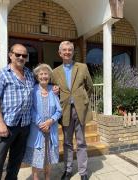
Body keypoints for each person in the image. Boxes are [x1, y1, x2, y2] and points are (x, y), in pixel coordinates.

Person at [0, 44, 35, 180]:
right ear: (10, 55)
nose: (21, 57)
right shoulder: (1, 74)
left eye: (24, 55)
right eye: (17, 54)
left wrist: (52, 88)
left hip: (24, 125)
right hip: (6, 125)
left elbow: (42, 85)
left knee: (16, 160)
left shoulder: (30, 75)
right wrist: (0, 123)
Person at [52, 41, 93, 180]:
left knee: (81, 142)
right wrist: (55, 91)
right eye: (64, 50)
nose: (67, 52)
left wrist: (82, 99)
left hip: (80, 110)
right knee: (67, 142)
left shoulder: (82, 67)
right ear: (60, 53)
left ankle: (83, 172)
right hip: (65, 111)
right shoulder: (55, 72)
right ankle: (68, 170)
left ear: (73, 52)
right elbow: (53, 91)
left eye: (70, 50)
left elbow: (90, 87)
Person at [23, 63, 62, 180]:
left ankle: (47, 177)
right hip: (37, 129)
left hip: (51, 130)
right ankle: (35, 178)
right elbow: (30, 109)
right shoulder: (33, 90)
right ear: (37, 76)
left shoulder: (54, 90)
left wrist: (50, 121)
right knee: (36, 157)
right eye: (41, 74)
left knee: (48, 157)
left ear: (49, 76)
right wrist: (41, 123)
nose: (44, 76)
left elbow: (59, 110)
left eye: (46, 74)